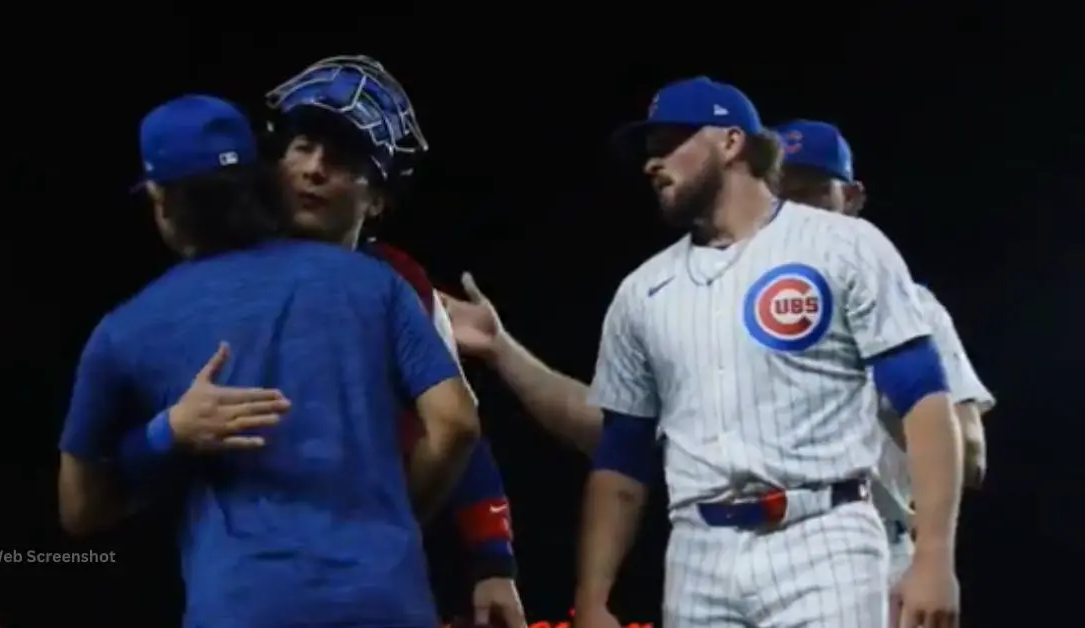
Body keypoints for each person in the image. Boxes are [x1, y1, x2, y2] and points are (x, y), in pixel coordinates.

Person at [448, 77, 963, 628]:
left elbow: (926, 402)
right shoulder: (642, 292)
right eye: (648, 151)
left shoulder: (842, 245)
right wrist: (593, 596)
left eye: (669, 142)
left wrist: (934, 556)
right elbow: (621, 458)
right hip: (698, 551)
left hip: (824, 534)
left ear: (731, 142)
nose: (652, 163)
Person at [57, 94, 480, 628]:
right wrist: (391, 525)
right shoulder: (376, 283)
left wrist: (166, 434)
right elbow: (457, 422)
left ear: (160, 199)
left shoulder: (126, 329)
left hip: (246, 605)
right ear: (264, 181)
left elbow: (78, 508)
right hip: (386, 600)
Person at [263, 56, 525, 627]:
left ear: (379, 198)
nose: (314, 168)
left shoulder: (403, 285)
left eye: (342, 157)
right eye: (302, 147)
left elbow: (460, 429)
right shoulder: (226, 276)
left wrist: (492, 561)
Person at [773, 118, 994, 592]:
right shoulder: (730, 312)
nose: (796, 217)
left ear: (850, 200)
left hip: (874, 557)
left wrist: (886, 380)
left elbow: (972, 456)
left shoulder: (910, 306)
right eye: (781, 199)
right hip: (753, 561)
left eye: (812, 195)